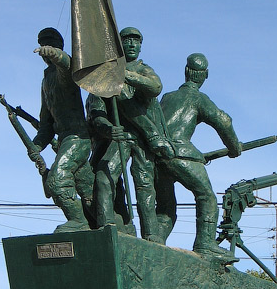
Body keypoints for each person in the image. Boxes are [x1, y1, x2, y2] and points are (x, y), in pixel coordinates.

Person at [90, 27, 173, 242]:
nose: (132, 45)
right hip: (120, 137)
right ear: (119, 45)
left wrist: (123, 75)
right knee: (103, 175)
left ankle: (151, 235)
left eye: (136, 41)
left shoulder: (144, 70)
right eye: (127, 41)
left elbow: (155, 87)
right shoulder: (104, 78)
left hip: (144, 141)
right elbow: (95, 114)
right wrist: (109, 128)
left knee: (144, 186)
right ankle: (107, 227)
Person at [156, 52, 241, 259]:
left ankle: (154, 243)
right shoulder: (198, 98)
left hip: (156, 156)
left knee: (166, 209)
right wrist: (234, 147)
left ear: (186, 72)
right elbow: (224, 121)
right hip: (180, 154)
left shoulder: (167, 97)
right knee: (207, 197)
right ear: (206, 75)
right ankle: (205, 244)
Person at [31, 27, 95, 232]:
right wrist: (37, 145)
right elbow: (46, 123)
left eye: (51, 45)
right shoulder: (45, 82)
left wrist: (55, 54)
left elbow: (66, 64)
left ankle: (78, 221)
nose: (46, 50)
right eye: (44, 45)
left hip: (78, 137)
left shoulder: (65, 71)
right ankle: (106, 222)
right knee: (88, 191)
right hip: (64, 139)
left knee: (58, 180)